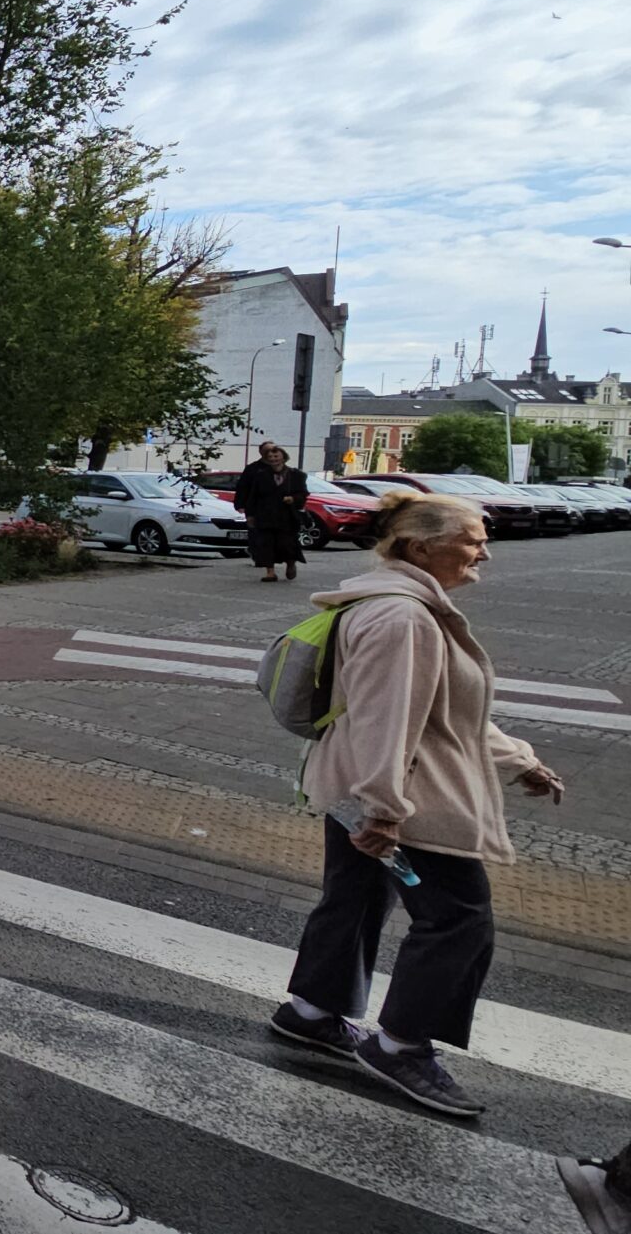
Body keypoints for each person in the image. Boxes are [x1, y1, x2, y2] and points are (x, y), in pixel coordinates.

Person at [270, 490, 564, 1118]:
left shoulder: (397, 606)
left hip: (357, 783)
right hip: (405, 796)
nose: (484, 548)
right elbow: (386, 717)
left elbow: (446, 712)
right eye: (472, 537)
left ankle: (310, 1012)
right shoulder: (404, 618)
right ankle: (401, 1046)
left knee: (354, 898)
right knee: (459, 918)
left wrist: (519, 761)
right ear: (421, 546)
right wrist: (384, 810)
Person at [235, 441, 309, 582]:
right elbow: (253, 495)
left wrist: (293, 499)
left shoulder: (296, 475)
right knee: (265, 543)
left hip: (286, 516)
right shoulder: (260, 475)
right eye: (270, 457)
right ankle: (270, 572)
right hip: (265, 514)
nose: (273, 459)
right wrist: (250, 514)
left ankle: (291, 563)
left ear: (283, 457)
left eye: (276, 456)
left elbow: (303, 493)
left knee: (286, 543)